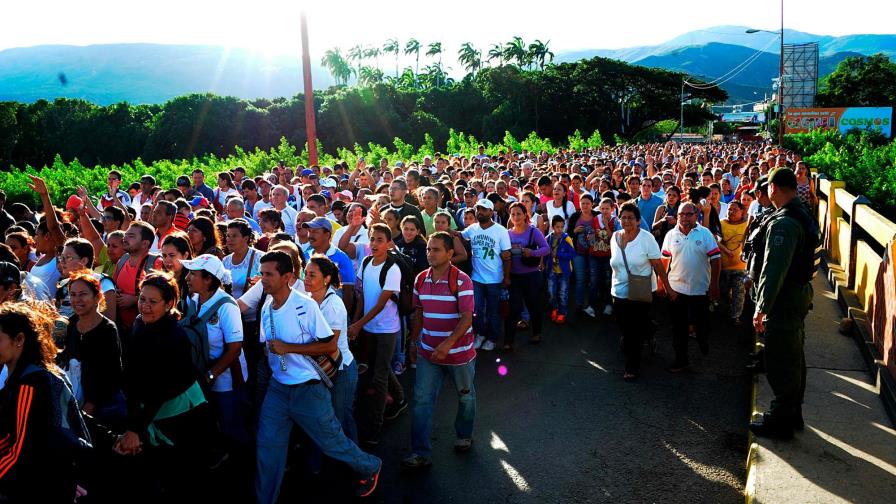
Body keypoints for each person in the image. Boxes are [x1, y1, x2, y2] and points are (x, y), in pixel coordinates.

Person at [255, 251, 381, 502]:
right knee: (267, 448)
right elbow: (267, 344)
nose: (263, 279)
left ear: (288, 277)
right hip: (278, 390)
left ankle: (370, 466)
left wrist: (289, 348)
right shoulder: (267, 307)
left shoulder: (307, 305)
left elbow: (330, 347)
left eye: (269, 274)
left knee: (332, 440)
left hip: (309, 389)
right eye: (262, 273)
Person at [0, 301, 92, 503]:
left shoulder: (31, 383)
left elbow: (20, 451)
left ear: (19, 340)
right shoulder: (24, 375)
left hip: (36, 488)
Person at [750, 168, 817, 439]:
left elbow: (774, 269)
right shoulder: (800, 213)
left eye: (767, 187)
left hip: (783, 300)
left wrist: (762, 305)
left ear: (774, 188)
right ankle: (792, 413)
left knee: (781, 361)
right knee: (794, 357)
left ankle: (781, 420)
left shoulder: (785, 223)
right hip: (795, 295)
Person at [402, 232, 477, 469]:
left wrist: (447, 345)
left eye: (436, 250)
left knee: (466, 398)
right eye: (428, 249)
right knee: (421, 401)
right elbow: (419, 314)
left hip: (459, 355)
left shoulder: (462, 280)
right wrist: (414, 343)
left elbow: (467, 318)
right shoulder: (421, 279)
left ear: (450, 253)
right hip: (427, 353)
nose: (430, 254)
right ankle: (420, 452)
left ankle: (464, 434)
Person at [181, 254, 249, 452]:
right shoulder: (192, 299)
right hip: (201, 378)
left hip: (225, 381)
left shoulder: (227, 306)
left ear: (208, 278)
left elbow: (234, 348)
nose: (187, 278)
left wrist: (211, 375)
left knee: (231, 427)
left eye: (193, 274)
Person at [348, 224, 407, 445]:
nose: (374, 244)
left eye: (379, 240)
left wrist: (358, 324)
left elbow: (382, 303)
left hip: (386, 329)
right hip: (368, 327)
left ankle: (375, 427)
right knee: (378, 366)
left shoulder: (392, 268)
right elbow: (363, 296)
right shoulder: (365, 263)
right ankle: (400, 398)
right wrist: (356, 321)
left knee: (379, 376)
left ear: (389, 243)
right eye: (372, 239)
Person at [610, 203, 674, 381]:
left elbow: (658, 266)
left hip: (642, 291)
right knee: (623, 324)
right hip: (619, 291)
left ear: (638, 221)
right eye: (623, 217)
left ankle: (632, 367)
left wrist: (667, 287)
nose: (627, 220)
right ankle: (650, 329)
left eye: (631, 217)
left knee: (633, 331)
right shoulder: (614, 237)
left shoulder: (646, 239)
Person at [303, 255, 358, 441]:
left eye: (312, 275)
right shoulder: (308, 299)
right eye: (305, 274)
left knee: (341, 419)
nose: (306, 279)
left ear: (326, 279)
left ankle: (358, 465)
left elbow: (330, 345)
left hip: (341, 370)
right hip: (322, 369)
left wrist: (290, 348)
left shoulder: (333, 305)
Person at [662, 202, 721, 372]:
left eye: (689, 214)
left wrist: (714, 285)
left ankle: (703, 339)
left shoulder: (705, 234)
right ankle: (682, 359)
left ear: (696, 216)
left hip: (700, 289)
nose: (685, 218)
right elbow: (665, 260)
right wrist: (662, 285)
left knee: (701, 323)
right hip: (676, 289)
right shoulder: (671, 235)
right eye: (682, 214)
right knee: (678, 327)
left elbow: (716, 259)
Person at [61, 272, 125, 429]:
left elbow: (112, 374)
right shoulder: (70, 323)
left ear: (97, 298)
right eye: (73, 294)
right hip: (76, 400)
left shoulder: (108, 329)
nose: (77, 300)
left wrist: (91, 404)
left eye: (83, 294)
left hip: (104, 407)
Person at [460, 199, 511, 352]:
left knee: (493, 311)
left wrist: (506, 277)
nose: (480, 212)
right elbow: (461, 236)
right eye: (478, 209)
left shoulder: (501, 230)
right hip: (476, 278)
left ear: (491, 212)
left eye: (484, 209)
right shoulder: (473, 228)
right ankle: (480, 334)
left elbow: (507, 256)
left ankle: (492, 338)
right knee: (477, 309)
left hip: (495, 279)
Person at [504, 202, 550, 349]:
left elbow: (546, 249)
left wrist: (532, 253)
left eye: (519, 213)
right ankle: (508, 341)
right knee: (514, 309)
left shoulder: (533, 231)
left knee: (534, 306)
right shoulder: (507, 234)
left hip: (531, 275)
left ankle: (536, 333)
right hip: (514, 276)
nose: (516, 216)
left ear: (525, 215)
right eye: (513, 214)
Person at [113, 221, 161, 332]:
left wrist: (135, 300)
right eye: (126, 234)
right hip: (122, 329)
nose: (125, 238)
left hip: (147, 331)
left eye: (131, 236)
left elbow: (161, 297)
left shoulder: (156, 263)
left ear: (145, 243)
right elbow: (114, 286)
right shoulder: (122, 260)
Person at [55, 237, 117, 322]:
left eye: (68, 257)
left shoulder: (103, 283)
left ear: (84, 261)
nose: (62, 261)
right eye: (61, 257)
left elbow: (109, 323)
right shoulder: (63, 284)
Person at [568, 193, 600, 318]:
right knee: (580, 279)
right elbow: (568, 233)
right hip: (578, 253)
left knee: (593, 279)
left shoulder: (597, 216)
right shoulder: (575, 216)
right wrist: (574, 231)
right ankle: (579, 305)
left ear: (592, 204)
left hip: (594, 252)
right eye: (583, 203)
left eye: (587, 203)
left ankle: (591, 304)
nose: (585, 206)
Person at [718, 201, 749, 325]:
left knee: (738, 291)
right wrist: (725, 250)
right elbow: (715, 241)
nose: (731, 212)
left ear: (742, 211)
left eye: (735, 210)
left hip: (741, 267)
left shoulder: (747, 225)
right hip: (723, 266)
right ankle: (722, 314)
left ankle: (736, 316)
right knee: (723, 291)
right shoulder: (721, 224)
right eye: (729, 209)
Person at [545, 215, 576, 325]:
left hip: (564, 271)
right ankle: (555, 309)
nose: (560, 229)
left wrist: (558, 254)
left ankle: (562, 312)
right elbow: (544, 252)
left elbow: (572, 254)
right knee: (551, 292)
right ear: (553, 227)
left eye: (562, 227)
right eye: (557, 227)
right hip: (552, 270)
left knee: (563, 293)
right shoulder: (548, 238)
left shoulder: (566, 238)